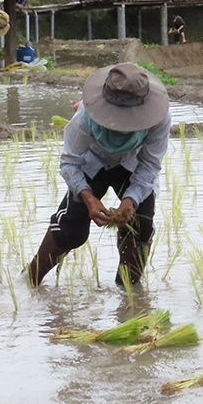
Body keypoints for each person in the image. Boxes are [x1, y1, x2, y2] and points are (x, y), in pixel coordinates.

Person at [29, 62, 171, 287]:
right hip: (93, 162)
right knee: (71, 229)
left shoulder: (159, 118)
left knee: (140, 225)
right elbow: (69, 162)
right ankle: (29, 280)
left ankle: (128, 294)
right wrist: (88, 198)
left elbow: (149, 166)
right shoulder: (86, 115)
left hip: (132, 165)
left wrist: (129, 201)